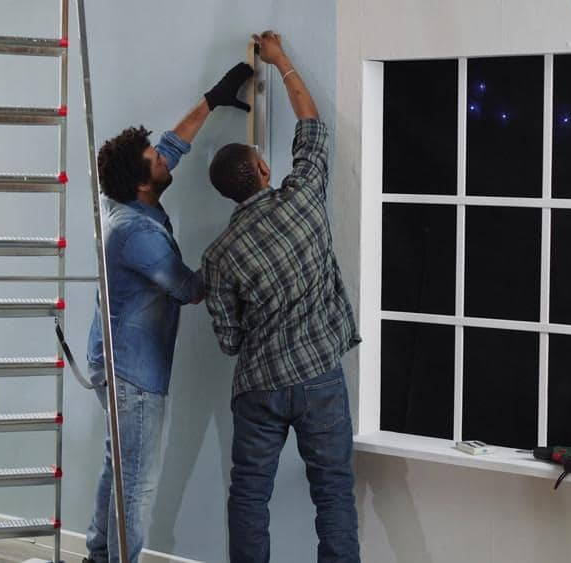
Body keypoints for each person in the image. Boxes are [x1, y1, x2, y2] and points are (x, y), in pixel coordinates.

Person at [203, 31, 362, 563]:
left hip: (259, 386)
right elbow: (311, 125)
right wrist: (281, 60)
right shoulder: (303, 200)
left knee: (249, 495)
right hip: (319, 374)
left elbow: (228, 340)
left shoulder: (219, 254)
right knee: (334, 491)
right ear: (264, 170)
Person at [85, 62, 253, 563]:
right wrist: (244, 239)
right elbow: (191, 289)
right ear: (142, 183)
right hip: (133, 374)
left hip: (115, 360)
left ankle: (97, 555)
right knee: (136, 485)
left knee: (119, 468)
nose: (164, 156)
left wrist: (213, 98)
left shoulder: (122, 199)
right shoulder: (137, 235)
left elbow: (172, 144)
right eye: (154, 158)